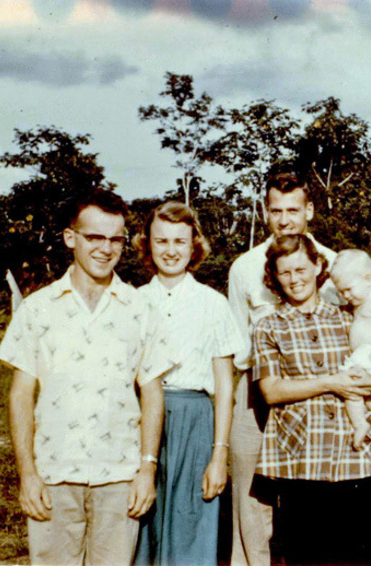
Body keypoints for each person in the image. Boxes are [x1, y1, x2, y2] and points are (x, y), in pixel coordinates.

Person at [0, 189, 174, 565]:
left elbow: (153, 393)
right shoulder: (37, 309)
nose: (105, 249)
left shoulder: (141, 309)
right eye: (94, 237)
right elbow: (20, 396)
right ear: (70, 237)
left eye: (115, 239)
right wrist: (27, 473)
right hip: (53, 473)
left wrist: (146, 469)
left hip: (119, 475)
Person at [253, 234, 371, 566]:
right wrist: (332, 382)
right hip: (301, 456)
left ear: (318, 267)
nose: (294, 279)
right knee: (307, 556)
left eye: (301, 269)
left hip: (359, 456)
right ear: (274, 275)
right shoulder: (268, 327)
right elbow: (272, 390)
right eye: (284, 272)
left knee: (365, 557)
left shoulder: (348, 315)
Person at [227, 173, 339, 566]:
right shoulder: (244, 267)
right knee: (251, 498)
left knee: (309, 498)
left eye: (293, 210)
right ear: (265, 211)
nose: (285, 220)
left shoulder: (332, 264)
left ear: (309, 210)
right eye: (276, 210)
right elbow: (237, 344)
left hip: (317, 394)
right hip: (257, 393)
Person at [132, 202, 245, 566]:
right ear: (146, 245)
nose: (170, 250)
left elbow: (224, 385)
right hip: (138, 420)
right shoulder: (132, 301)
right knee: (139, 526)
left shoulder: (212, 303)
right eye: (161, 241)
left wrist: (219, 453)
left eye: (180, 241)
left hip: (195, 420)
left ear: (194, 244)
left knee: (190, 524)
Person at [330, 249, 371, 450]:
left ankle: (360, 424)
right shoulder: (360, 301)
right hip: (366, 357)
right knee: (367, 393)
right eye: (341, 292)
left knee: (351, 389)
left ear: (368, 278)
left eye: (349, 289)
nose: (346, 296)